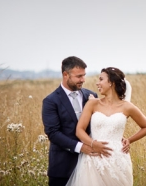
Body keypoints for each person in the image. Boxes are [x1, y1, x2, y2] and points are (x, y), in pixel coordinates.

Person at [66, 66, 146, 186]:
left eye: (101, 79)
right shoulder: (92, 103)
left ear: (111, 82)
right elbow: (79, 130)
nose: (97, 83)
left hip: (118, 158)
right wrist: (93, 144)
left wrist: (129, 140)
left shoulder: (128, 107)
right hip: (94, 157)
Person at [42, 56, 114, 186]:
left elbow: (99, 124)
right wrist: (81, 147)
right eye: (79, 76)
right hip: (63, 166)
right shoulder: (51, 101)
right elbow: (53, 133)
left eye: (84, 75)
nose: (83, 80)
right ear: (65, 75)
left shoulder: (91, 96)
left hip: (91, 166)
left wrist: (118, 138)